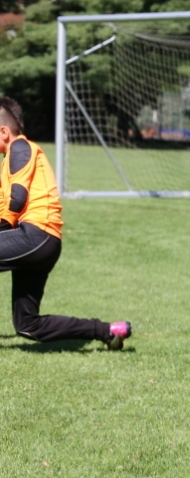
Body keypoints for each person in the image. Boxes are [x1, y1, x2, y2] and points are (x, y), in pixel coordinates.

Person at [0, 96, 131, 349]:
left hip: (37, 236)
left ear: (4, 132)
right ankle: (108, 331)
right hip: (41, 242)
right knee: (27, 325)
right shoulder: (9, 161)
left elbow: (17, 201)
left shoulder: (21, 148)